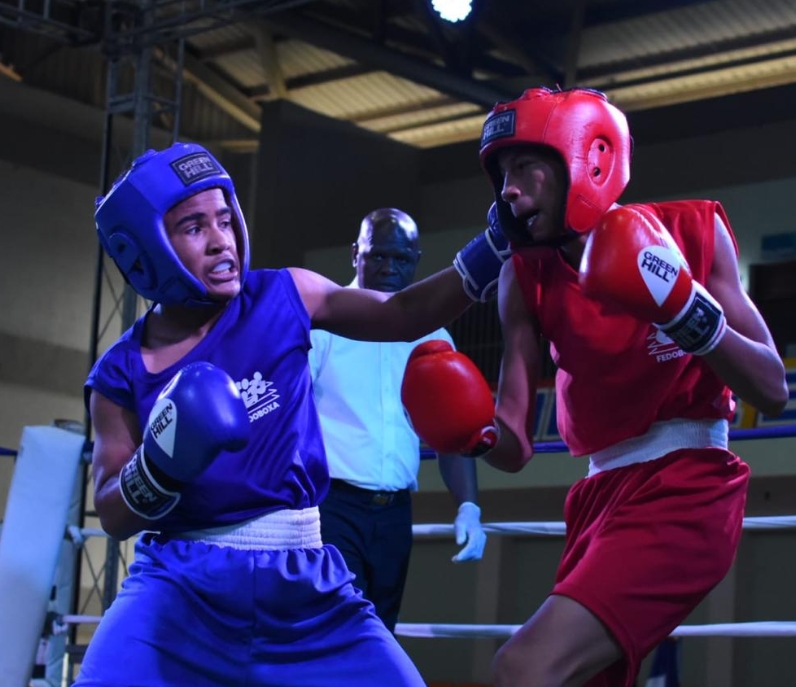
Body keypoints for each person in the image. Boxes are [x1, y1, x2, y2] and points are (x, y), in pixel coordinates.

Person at [76, 142, 503, 687]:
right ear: (145, 249)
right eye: (194, 227)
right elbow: (112, 514)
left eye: (225, 220)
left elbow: (404, 313)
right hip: (178, 589)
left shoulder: (285, 295)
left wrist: (497, 244)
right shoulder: (120, 373)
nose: (221, 240)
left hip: (303, 583)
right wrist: (159, 465)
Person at [404, 87, 789, 687]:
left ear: (587, 159)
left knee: (523, 669)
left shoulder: (689, 232)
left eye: (525, 168)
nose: (508, 191)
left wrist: (684, 309)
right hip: (596, 497)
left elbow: (772, 388)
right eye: (502, 176)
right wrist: (473, 435)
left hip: (687, 484)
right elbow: (515, 445)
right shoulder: (523, 277)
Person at [309, 207, 487, 633]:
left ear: (417, 260)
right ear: (355, 254)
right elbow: (285, 419)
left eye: (401, 259)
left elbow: (452, 431)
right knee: (338, 629)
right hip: (331, 508)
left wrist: (468, 506)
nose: (389, 268)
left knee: (381, 633)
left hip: (394, 516)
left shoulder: (434, 336)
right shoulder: (324, 324)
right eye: (379, 256)